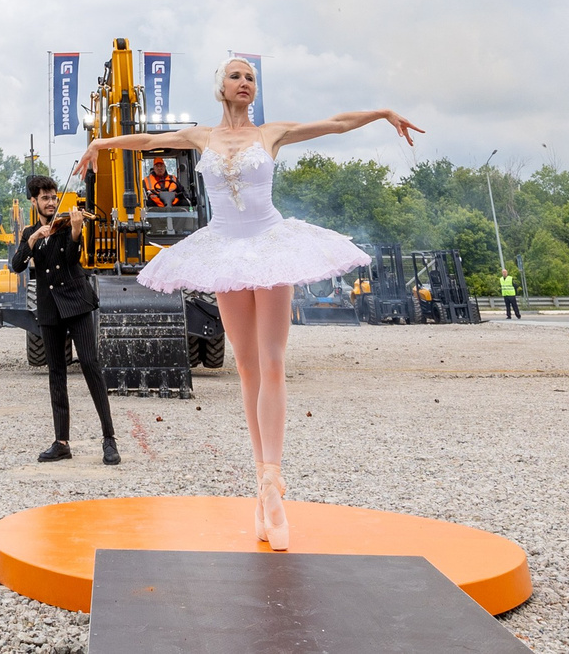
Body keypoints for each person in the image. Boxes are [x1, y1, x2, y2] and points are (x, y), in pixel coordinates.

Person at [72, 56, 419, 551]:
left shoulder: (271, 134)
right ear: (221, 88)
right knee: (248, 369)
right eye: (235, 76)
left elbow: (335, 125)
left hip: (270, 243)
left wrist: (382, 112)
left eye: (250, 77)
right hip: (224, 251)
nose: (244, 83)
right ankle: (262, 485)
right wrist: (103, 141)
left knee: (274, 362)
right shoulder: (200, 137)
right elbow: (147, 142)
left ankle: (273, 481)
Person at [9, 173, 118, 466]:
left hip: (77, 303)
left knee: (90, 365)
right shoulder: (31, 232)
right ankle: (61, 443)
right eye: (44, 198)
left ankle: (109, 439)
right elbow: (16, 265)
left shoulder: (67, 224)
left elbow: (71, 259)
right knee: (56, 373)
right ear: (34, 201)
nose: (51, 202)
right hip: (49, 309)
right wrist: (32, 238)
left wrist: (75, 231)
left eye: (53, 197)